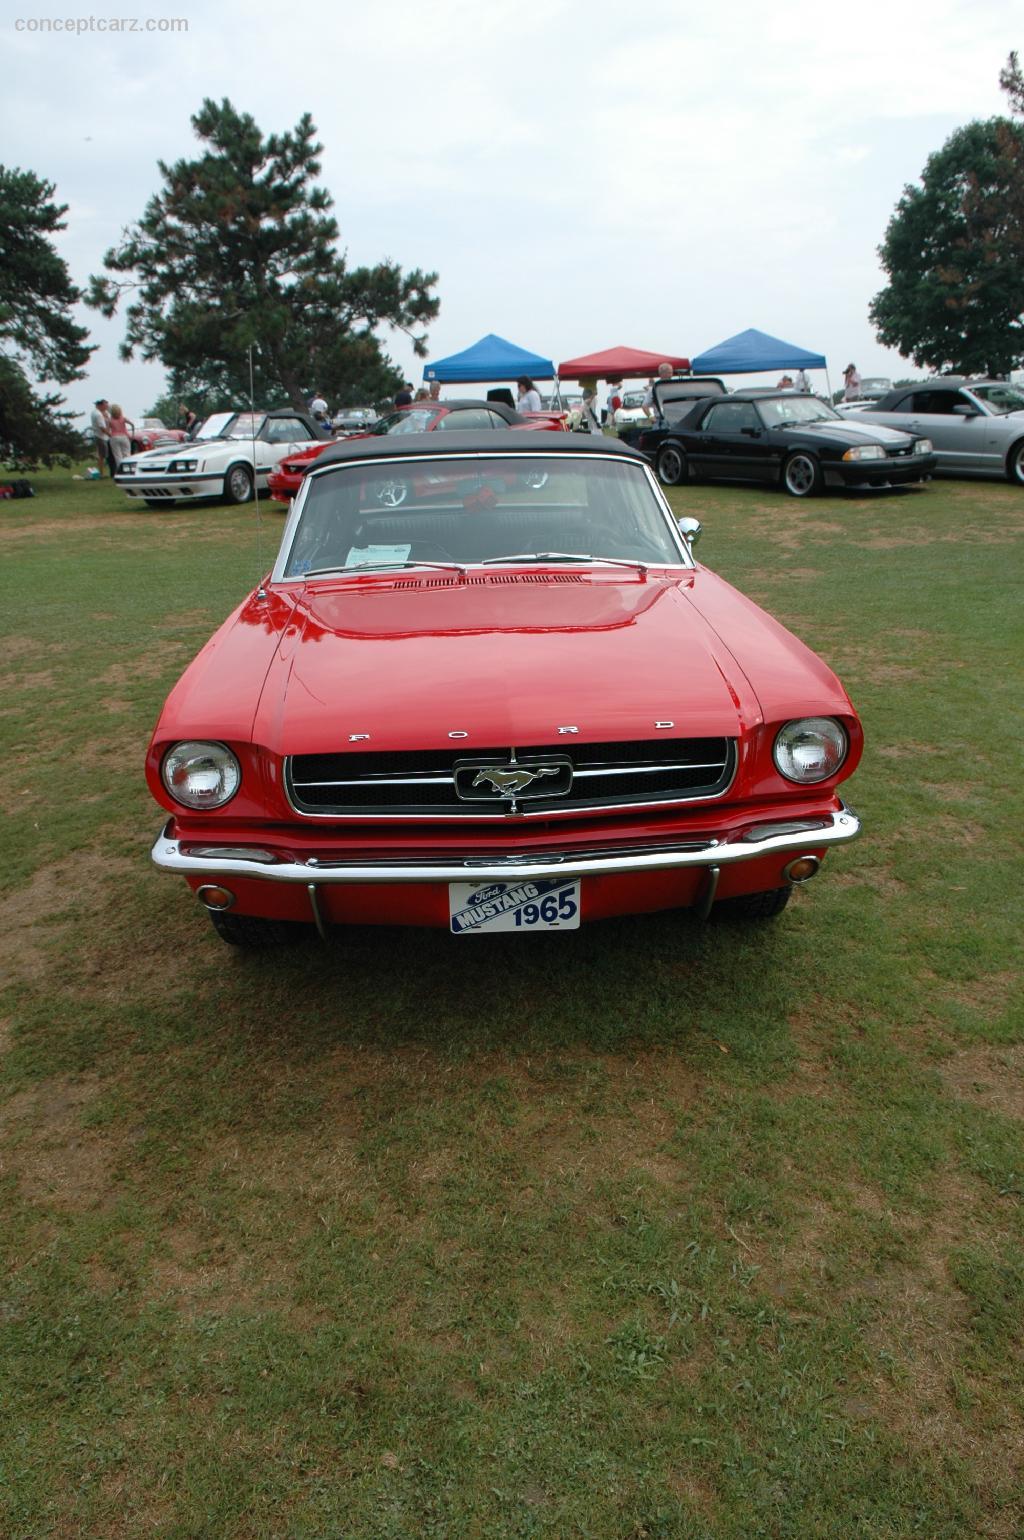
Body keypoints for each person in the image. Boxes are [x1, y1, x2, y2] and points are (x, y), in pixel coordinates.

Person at [106, 404, 132, 473]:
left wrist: (110, 435)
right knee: (126, 453)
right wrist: (132, 433)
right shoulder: (123, 418)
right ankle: (129, 468)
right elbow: (131, 424)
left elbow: (107, 430)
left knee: (117, 455)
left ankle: (121, 469)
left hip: (114, 437)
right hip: (124, 436)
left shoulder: (109, 420)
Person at [90, 398, 109, 476]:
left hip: (98, 435)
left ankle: (101, 472)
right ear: (100, 405)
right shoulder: (98, 415)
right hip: (100, 437)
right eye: (105, 404)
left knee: (101, 455)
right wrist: (110, 435)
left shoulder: (95, 413)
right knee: (102, 456)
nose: (107, 406)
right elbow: (102, 428)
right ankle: (101, 473)